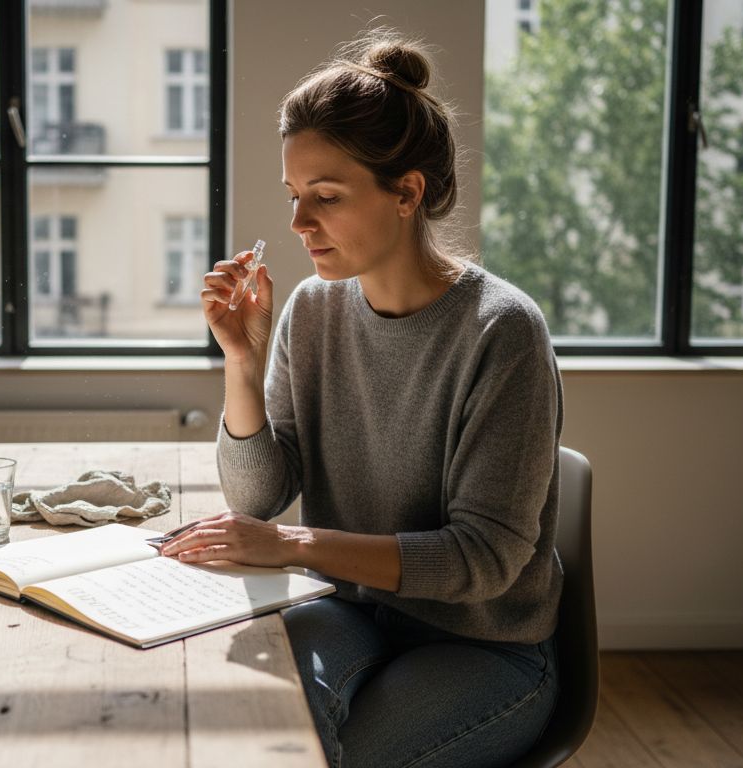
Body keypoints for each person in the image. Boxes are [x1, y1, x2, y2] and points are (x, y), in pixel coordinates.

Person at [157, 29, 564, 768]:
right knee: (254, 727)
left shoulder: (502, 330)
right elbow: (259, 499)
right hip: (347, 609)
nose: (297, 223)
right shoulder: (312, 310)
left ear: (406, 192)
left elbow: (485, 559)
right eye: (294, 196)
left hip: (480, 645)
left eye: (326, 197)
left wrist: (292, 547)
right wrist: (242, 362)